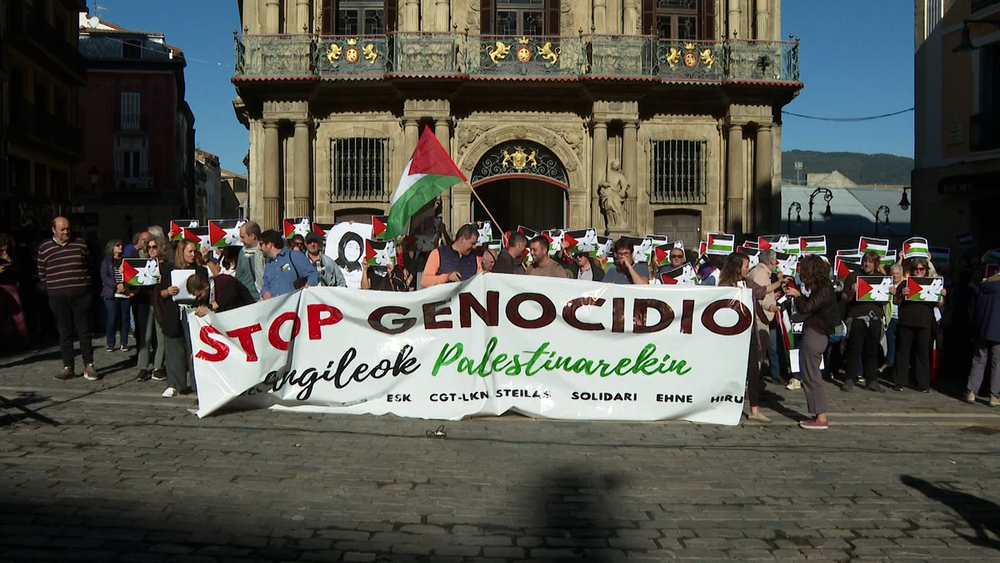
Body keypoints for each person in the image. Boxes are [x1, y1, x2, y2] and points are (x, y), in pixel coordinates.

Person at [718, 252, 784, 424]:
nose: (749, 269)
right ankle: (723, 405)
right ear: (737, 267)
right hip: (731, 335)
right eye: (746, 266)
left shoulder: (747, 282)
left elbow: (761, 292)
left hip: (750, 332)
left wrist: (779, 283)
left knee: (753, 370)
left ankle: (754, 409)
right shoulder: (725, 284)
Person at [38, 217, 99, 381]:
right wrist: (51, 288)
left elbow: (90, 265)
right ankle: (68, 367)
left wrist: (84, 285)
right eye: (62, 229)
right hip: (58, 296)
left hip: (81, 294)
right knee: (64, 331)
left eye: (68, 229)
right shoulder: (45, 249)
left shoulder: (80, 244)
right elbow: (42, 273)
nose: (66, 232)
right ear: (53, 230)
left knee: (84, 330)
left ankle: (89, 365)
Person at [784, 254, 838, 430]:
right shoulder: (821, 288)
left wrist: (797, 295)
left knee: (812, 376)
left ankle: (820, 417)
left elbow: (807, 307)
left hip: (816, 334)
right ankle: (818, 414)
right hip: (815, 333)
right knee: (810, 374)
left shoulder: (824, 289)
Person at [155, 238, 207, 398]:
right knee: (173, 349)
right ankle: (175, 384)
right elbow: (160, 292)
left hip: (193, 311)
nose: (192, 254)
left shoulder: (200, 270)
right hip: (174, 312)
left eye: (194, 251)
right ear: (182, 252)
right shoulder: (169, 269)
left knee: (195, 349)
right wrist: (167, 291)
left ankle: (200, 383)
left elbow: (207, 291)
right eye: (189, 251)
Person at [840, 250, 889, 393]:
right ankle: (850, 378)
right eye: (865, 261)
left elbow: (885, 300)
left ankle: (871, 380)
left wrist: (890, 292)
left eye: (870, 261)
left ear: (875, 264)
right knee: (854, 348)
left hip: (875, 318)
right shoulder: (853, 275)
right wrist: (852, 291)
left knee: (872, 350)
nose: (867, 264)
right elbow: (844, 297)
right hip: (857, 317)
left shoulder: (881, 278)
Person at [893, 257, 944, 392]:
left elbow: (939, 303)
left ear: (926, 271)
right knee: (903, 352)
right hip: (906, 322)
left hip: (924, 323)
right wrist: (902, 294)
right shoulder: (905, 283)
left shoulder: (933, 283)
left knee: (922, 354)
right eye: (916, 268)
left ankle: (922, 384)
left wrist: (942, 295)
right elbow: (895, 301)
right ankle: (900, 382)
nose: (918, 271)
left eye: (921, 269)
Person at [131, 234, 167, 382]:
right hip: (145, 301)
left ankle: (158, 367)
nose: (152, 250)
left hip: (160, 303)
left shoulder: (165, 265)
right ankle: (143, 368)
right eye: (149, 247)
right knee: (145, 337)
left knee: (161, 336)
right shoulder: (142, 264)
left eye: (154, 247)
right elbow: (133, 282)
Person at [965, 271, 1000, 406]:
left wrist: (973, 328)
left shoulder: (982, 286)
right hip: (998, 331)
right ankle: (994, 395)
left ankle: (971, 391)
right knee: (997, 363)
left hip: (982, 329)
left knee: (979, 360)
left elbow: (973, 310)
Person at [748, 248, 780, 383]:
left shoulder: (758, 270)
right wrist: (769, 306)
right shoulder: (761, 273)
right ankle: (752, 386)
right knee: (757, 355)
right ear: (772, 261)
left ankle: (754, 386)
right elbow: (758, 295)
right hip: (759, 317)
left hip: (761, 316)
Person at [259, 229, 319, 299]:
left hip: (294, 305)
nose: (259, 248)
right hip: (276, 307)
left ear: (269, 245)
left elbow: (312, 274)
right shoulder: (269, 264)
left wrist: (309, 285)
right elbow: (266, 285)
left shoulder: (293, 256)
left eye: (261, 244)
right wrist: (265, 292)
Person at [99, 239, 131, 352]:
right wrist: (116, 285)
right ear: (112, 247)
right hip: (111, 294)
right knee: (112, 319)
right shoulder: (106, 261)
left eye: (121, 245)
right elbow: (105, 276)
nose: (120, 247)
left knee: (125, 318)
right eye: (117, 245)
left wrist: (124, 285)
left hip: (124, 293)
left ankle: (124, 342)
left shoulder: (125, 261)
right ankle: (110, 343)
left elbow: (131, 274)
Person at [0, 233, 28, 352]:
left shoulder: (13, 255)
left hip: (11, 284)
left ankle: (23, 339)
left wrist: (9, 262)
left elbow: (18, 268)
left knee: (19, 315)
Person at [186, 272, 256, 317]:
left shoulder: (224, 281)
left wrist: (208, 308)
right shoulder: (205, 296)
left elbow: (227, 298)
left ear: (206, 286)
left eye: (200, 295)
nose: (199, 298)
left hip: (247, 314)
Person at [883, 263, 904, 380]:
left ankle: (895, 368)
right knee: (891, 344)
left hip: (902, 319)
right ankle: (889, 364)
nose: (895, 276)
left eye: (897, 273)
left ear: (901, 274)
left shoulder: (905, 285)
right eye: (893, 273)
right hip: (890, 319)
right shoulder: (887, 284)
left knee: (900, 347)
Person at [235, 221, 264, 301]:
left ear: (252, 236)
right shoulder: (242, 252)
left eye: (243, 237)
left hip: (262, 297)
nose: (240, 240)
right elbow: (239, 276)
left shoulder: (264, 251)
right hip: (246, 298)